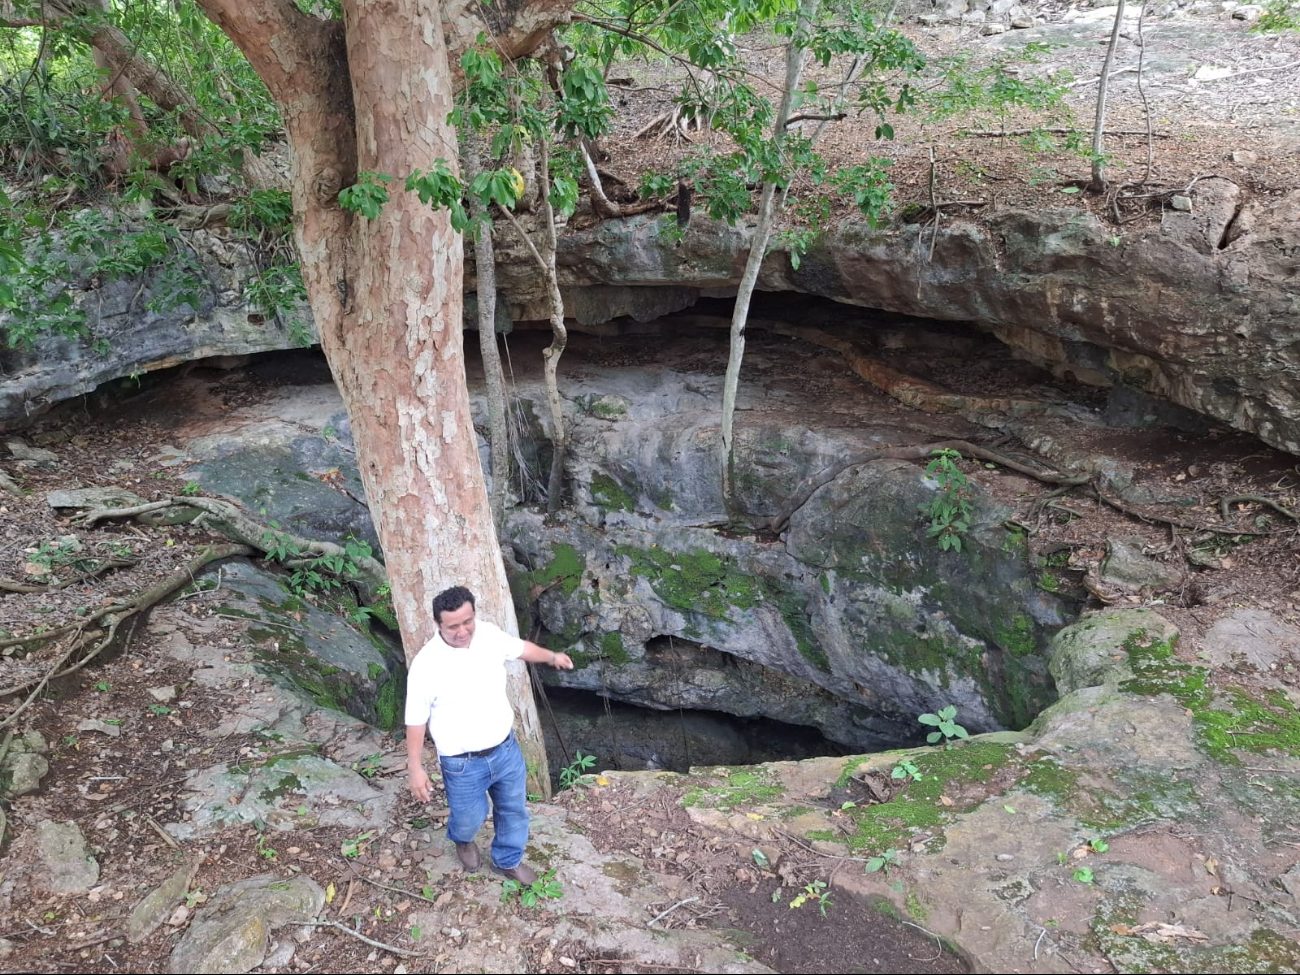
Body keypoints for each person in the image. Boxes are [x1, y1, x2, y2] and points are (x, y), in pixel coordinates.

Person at [405, 585, 573, 884]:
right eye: (453, 626)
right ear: (438, 624)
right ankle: (463, 839)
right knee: (470, 817)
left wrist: (551, 656)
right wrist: (415, 768)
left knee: (513, 809)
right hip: (462, 762)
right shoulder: (426, 665)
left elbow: (519, 648)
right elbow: (416, 720)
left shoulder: (487, 634)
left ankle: (508, 860)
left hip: (505, 749)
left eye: (467, 621)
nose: (462, 631)